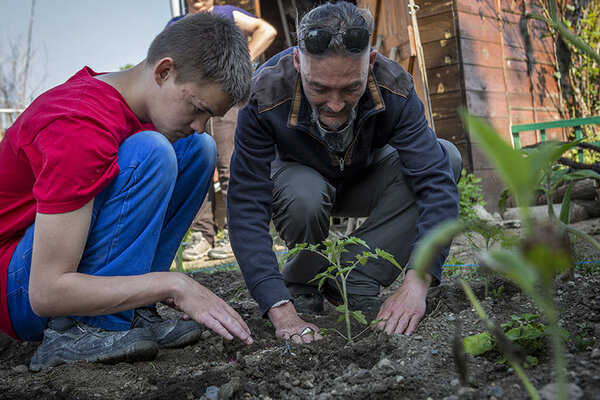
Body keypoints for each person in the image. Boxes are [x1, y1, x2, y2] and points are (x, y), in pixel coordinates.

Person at [0, 12, 254, 371]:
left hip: (43, 276)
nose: (199, 125)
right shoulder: (80, 123)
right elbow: (45, 292)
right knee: (152, 150)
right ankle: (80, 329)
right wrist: (173, 285)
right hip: (16, 289)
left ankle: (129, 311)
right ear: (164, 71)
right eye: (197, 109)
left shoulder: (141, 105)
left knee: (200, 150)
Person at [227, 1, 462, 344]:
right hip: (299, 187)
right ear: (297, 62)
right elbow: (246, 204)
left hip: (363, 180)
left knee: (448, 157)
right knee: (304, 194)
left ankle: (353, 277)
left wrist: (417, 283)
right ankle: (303, 280)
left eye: (351, 88)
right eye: (319, 88)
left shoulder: (395, 87)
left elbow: (435, 184)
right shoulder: (264, 95)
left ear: (370, 64)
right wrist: (278, 307)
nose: (335, 105)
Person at [168, 0, 277, 261]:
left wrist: (238, 66)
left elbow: (267, 31)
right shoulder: (176, 25)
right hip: (191, 104)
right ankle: (202, 236)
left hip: (226, 102)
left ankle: (234, 234)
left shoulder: (226, 13)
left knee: (231, 165)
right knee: (196, 165)